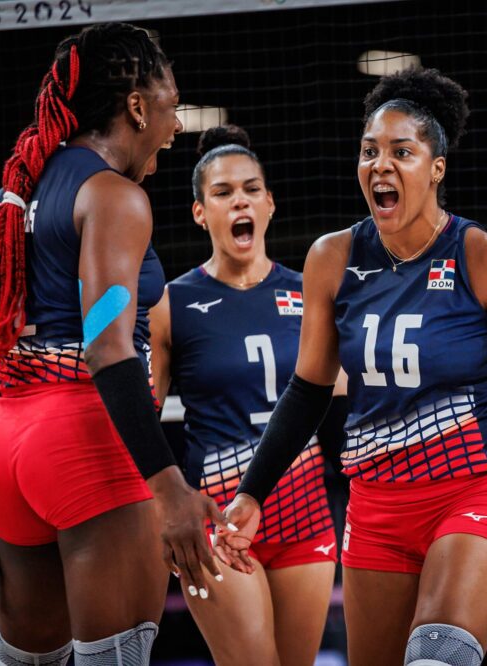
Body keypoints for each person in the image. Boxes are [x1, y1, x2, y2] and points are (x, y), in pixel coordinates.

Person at [216, 67, 487, 666]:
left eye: (401, 152)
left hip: (476, 490)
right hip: (376, 506)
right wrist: (252, 492)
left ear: (436, 167)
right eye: (369, 152)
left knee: (437, 654)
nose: (380, 165)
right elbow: (307, 391)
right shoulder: (332, 258)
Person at [0, 23, 229, 666]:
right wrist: (170, 487)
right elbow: (107, 349)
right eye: (170, 105)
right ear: (135, 107)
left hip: (6, 450)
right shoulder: (114, 197)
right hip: (83, 444)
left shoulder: (13, 200)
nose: (175, 125)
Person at [148, 124, 344, 665]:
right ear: (200, 212)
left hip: (305, 515)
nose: (240, 200)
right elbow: (142, 422)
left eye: (251, 189)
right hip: (218, 524)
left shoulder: (309, 292)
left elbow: (347, 405)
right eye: (223, 192)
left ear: (270, 203)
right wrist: (161, 513)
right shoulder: (172, 304)